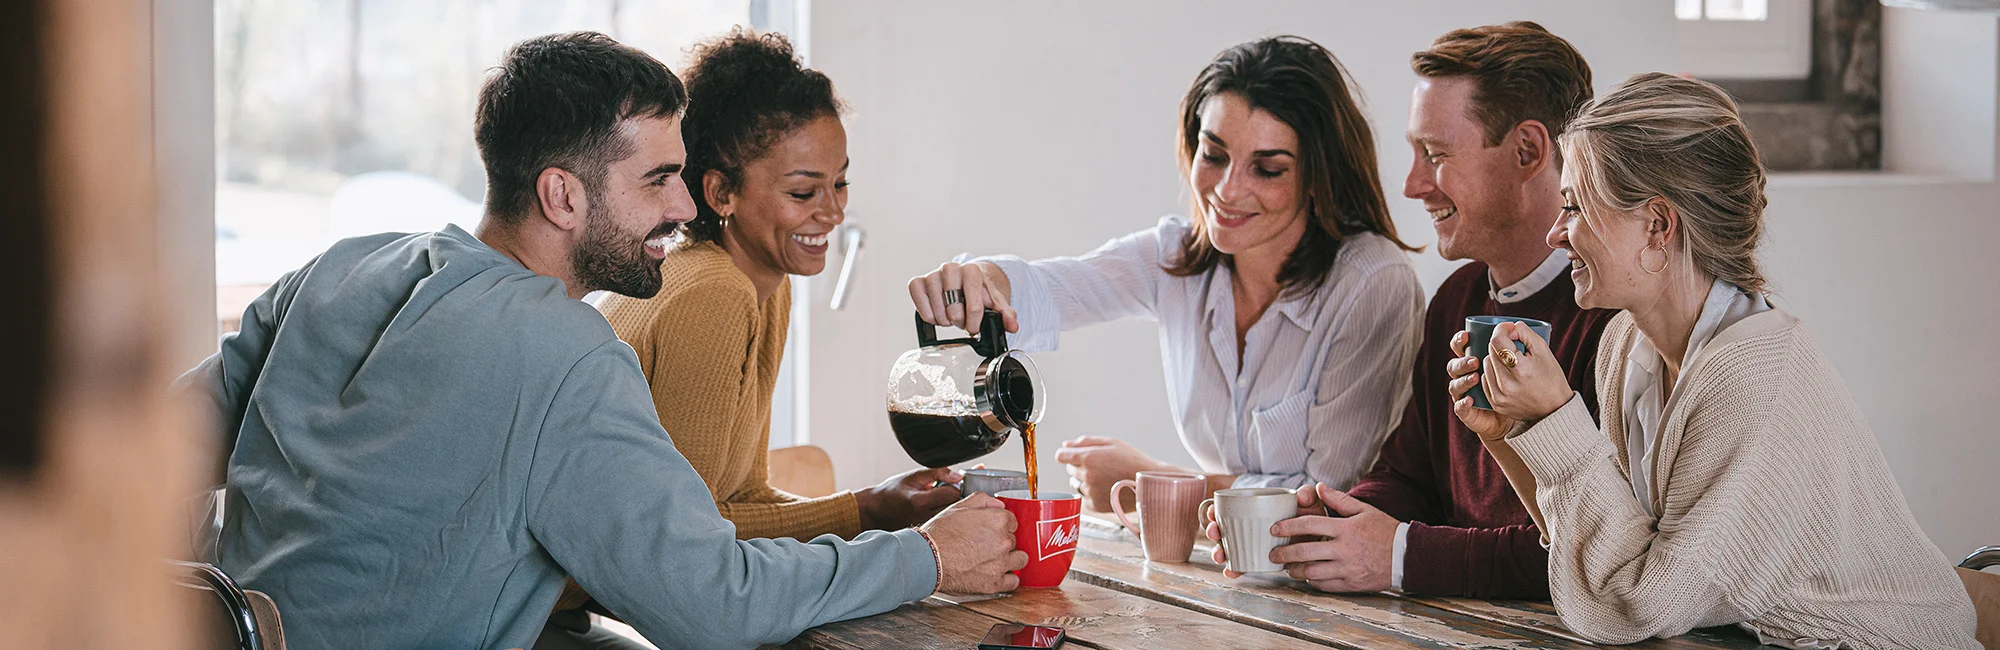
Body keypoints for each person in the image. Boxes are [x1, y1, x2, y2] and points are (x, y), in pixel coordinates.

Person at [180, 31, 1023, 650]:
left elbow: (155, 443)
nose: (684, 208)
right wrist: (925, 557)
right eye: (658, 180)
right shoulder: (566, 355)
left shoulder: (338, 269)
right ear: (562, 196)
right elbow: (713, 604)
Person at [1450, 72, 1978, 648]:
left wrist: (1556, 416)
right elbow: (1614, 553)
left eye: (1573, 207)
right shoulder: (1624, 344)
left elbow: (1638, 606)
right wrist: (1513, 431)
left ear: (1657, 225)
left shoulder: (1754, 379)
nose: (1555, 233)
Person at [907, 36, 1424, 511]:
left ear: (1318, 175)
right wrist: (979, 279)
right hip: (1218, 562)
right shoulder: (1175, 256)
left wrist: (1150, 484)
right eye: (1214, 154)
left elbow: (1326, 500)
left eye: (1267, 169)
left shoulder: (1372, 284)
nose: (1227, 190)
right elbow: (1053, 289)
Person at [1209, 22, 1617, 598]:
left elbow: (1598, 552)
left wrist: (1401, 556)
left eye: (1435, 154)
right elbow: (1408, 478)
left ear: (1527, 151)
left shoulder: (1615, 316)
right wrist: (1325, 523)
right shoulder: (1457, 299)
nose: (1412, 184)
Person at [596, 29, 957, 545]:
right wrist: (868, 510)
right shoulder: (713, 292)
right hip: (576, 588)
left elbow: (743, 497)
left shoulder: (763, 285)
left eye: (840, 183)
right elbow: (691, 533)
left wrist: (878, 504)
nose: (833, 213)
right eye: (804, 192)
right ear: (722, 192)